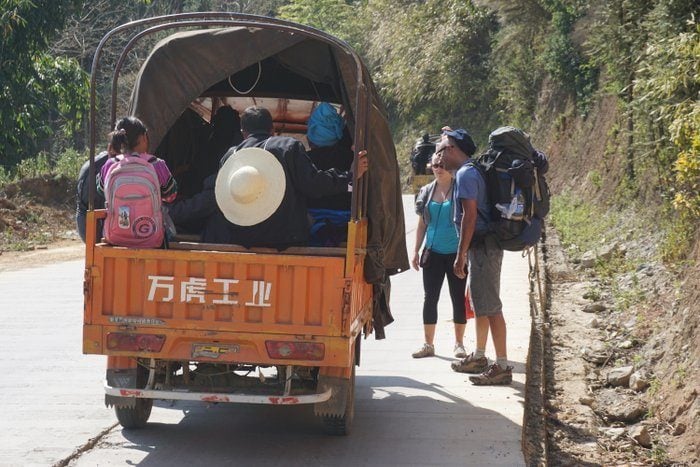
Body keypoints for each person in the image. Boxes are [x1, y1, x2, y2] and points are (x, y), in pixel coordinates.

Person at [204, 106, 368, 248]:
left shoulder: (230, 156)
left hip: (240, 239)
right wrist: (349, 177)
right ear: (272, 130)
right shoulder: (288, 148)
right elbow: (313, 184)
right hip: (286, 240)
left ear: (243, 133)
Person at [438, 128, 513, 385]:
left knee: (491, 307)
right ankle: (480, 356)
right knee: (481, 304)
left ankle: (501, 365)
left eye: (442, 149)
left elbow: (470, 216)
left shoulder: (467, 174)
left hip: (483, 248)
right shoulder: (469, 171)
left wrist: (460, 255)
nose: (439, 156)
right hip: (481, 247)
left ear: (453, 150)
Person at [410, 153, 468, 359]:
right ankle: (428, 344)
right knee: (430, 298)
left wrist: (465, 252)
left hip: (456, 254)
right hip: (432, 252)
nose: (439, 167)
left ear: (449, 166)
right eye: (435, 164)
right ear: (430, 166)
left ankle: (459, 344)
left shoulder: (460, 189)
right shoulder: (426, 191)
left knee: (457, 298)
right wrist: (416, 250)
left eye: (442, 164)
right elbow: (422, 223)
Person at [97, 116, 178, 204]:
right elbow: (171, 195)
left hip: (119, 217)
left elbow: (101, 190)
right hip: (150, 217)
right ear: (143, 137)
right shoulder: (157, 164)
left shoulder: (111, 164)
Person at [75, 144, 115, 242]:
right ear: (111, 149)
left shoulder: (96, 163)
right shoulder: (106, 166)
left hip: (85, 219)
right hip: (92, 222)